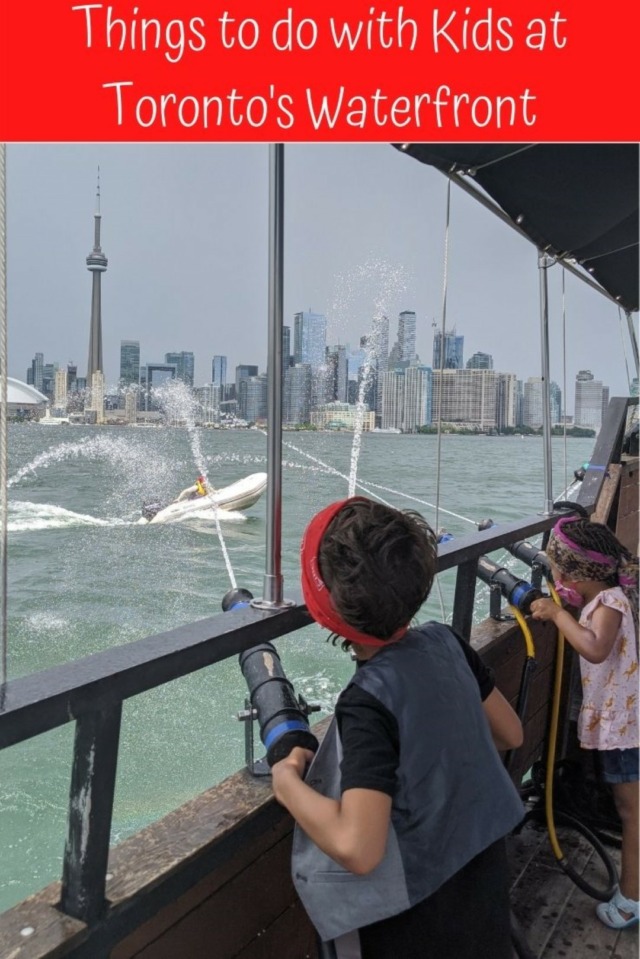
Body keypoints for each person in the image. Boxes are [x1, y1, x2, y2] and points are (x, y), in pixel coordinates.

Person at [271, 496, 524, 959]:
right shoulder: (447, 642)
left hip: (415, 920)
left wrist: (286, 783)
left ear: (327, 605)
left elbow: (358, 848)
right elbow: (511, 733)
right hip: (480, 885)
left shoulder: (367, 704)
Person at [531, 516, 639, 930]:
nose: (555, 581)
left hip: (625, 726)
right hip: (625, 720)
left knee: (632, 813)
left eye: (557, 572)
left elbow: (595, 649)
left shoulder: (609, 603)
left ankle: (631, 902)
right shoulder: (611, 595)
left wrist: (559, 617)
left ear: (573, 576)